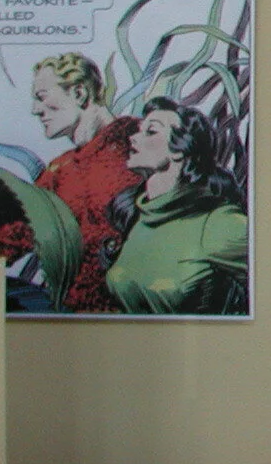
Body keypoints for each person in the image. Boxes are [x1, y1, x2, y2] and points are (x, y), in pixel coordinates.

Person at [0, 52, 140, 314]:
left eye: (42, 97)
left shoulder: (142, 143)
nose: (35, 110)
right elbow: (17, 232)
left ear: (79, 93)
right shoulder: (61, 169)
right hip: (75, 315)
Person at [105, 96, 249, 315]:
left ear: (179, 149)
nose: (133, 138)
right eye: (139, 130)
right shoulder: (136, 216)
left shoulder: (218, 222)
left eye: (151, 131)